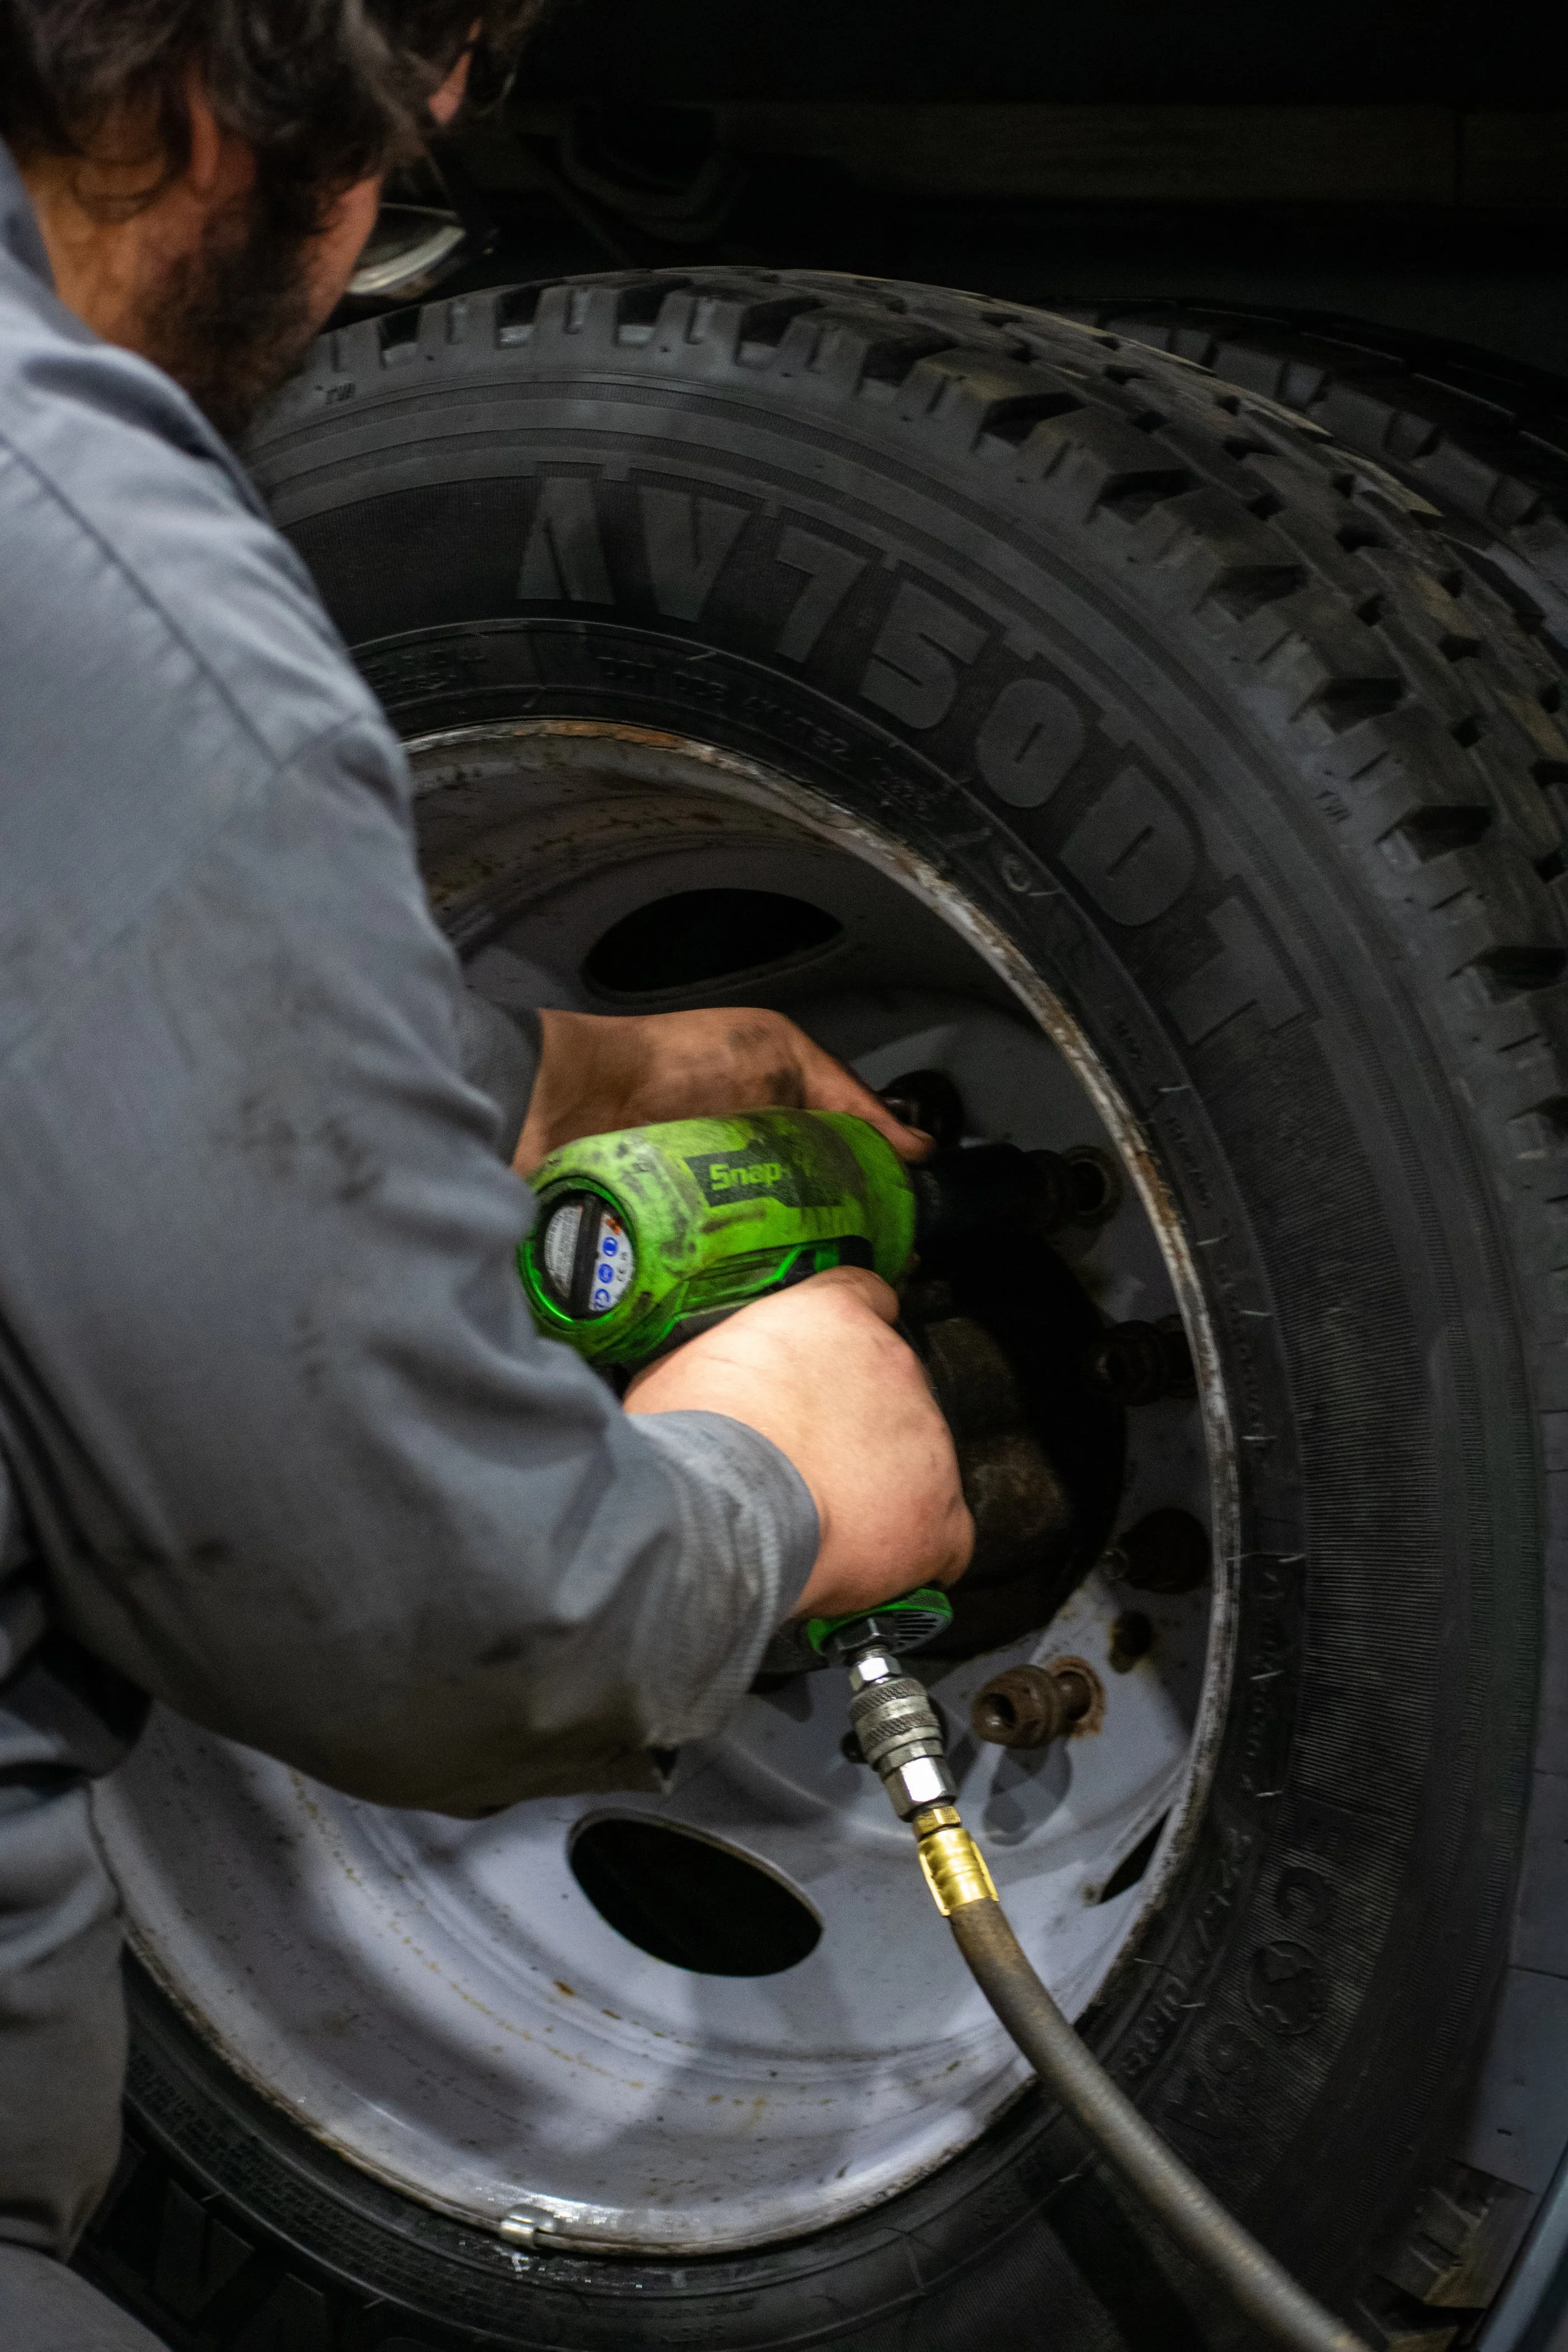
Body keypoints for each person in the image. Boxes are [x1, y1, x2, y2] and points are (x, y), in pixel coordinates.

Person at [0, 5, 972, 2343]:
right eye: (410, 95)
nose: (425, 144)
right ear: (209, 99)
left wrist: (541, 1070)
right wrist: (776, 1484)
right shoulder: (94, 571)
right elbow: (442, 1623)